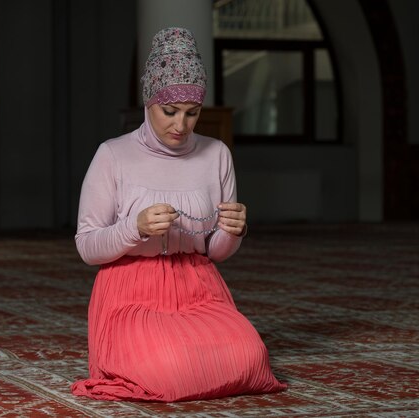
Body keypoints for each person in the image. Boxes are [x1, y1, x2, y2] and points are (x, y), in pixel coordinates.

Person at [70, 27, 287, 402]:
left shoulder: (217, 153)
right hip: (130, 292)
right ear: (148, 102)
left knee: (250, 358)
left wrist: (233, 232)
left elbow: (214, 252)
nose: (181, 126)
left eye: (192, 113)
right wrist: (134, 228)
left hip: (198, 287)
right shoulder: (113, 155)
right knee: (170, 369)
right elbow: (88, 247)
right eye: (169, 111)